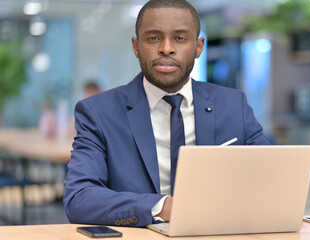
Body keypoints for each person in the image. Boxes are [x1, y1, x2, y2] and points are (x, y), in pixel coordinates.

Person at [63, 0, 269, 227]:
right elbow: (79, 198)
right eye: (153, 38)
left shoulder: (233, 105)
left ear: (199, 47)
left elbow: (272, 180)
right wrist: (164, 207)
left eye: (180, 38)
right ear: (136, 46)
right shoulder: (98, 112)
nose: (167, 48)